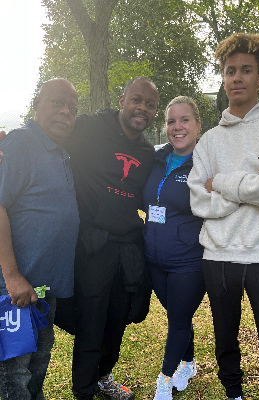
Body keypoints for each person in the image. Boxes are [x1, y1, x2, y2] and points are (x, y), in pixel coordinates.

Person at [188, 33, 259, 400]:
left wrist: (220, 182)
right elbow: (198, 201)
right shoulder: (208, 141)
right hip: (217, 256)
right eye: (230, 70)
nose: (237, 78)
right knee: (225, 338)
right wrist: (251, 191)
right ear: (222, 75)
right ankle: (233, 394)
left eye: (246, 70)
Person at [62, 76, 159, 400]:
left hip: (128, 247)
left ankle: (103, 376)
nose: (141, 108)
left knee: (118, 318)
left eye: (149, 104)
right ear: (122, 100)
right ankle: (84, 391)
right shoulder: (91, 127)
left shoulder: (147, 153)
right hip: (93, 245)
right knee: (91, 322)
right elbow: (54, 136)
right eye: (136, 100)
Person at [0, 78, 80, 400]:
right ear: (36, 104)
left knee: (36, 373)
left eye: (72, 109)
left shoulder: (61, 153)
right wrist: (12, 276)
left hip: (45, 294)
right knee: (12, 380)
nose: (65, 112)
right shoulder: (20, 143)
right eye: (57, 103)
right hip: (15, 293)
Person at [142, 96, 206, 399]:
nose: (176, 127)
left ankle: (164, 381)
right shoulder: (157, 158)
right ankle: (189, 363)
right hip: (154, 258)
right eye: (171, 121)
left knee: (178, 320)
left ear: (197, 125)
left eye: (184, 120)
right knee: (178, 316)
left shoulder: (207, 162)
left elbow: (239, 185)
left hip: (188, 261)